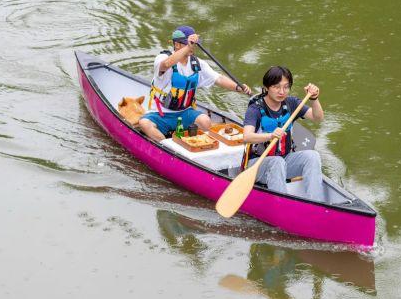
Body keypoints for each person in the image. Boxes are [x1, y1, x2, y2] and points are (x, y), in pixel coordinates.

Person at [139, 25, 251, 142]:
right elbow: (166, 64)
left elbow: (219, 78)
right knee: (144, 123)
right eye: (188, 43)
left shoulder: (197, 63)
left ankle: (197, 143)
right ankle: (166, 146)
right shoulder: (162, 57)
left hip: (185, 112)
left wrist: (238, 87)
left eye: (194, 44)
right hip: (160, 114)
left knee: (205, 121)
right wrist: (188, 47)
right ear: (177, 44)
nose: (193, 47)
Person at [242, 66, 325, 202]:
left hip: (285, 159)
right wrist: (270, 136)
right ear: (267, 87)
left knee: (312, 156)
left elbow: (318, 117)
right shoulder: (255, 109)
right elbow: (247, 137)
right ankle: (282, 205)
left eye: (286, 87)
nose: (282, 92)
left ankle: (316, 203)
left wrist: (314, 99)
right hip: (257, 164)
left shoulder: (291, 103)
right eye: (276, 87)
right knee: (277, 162)